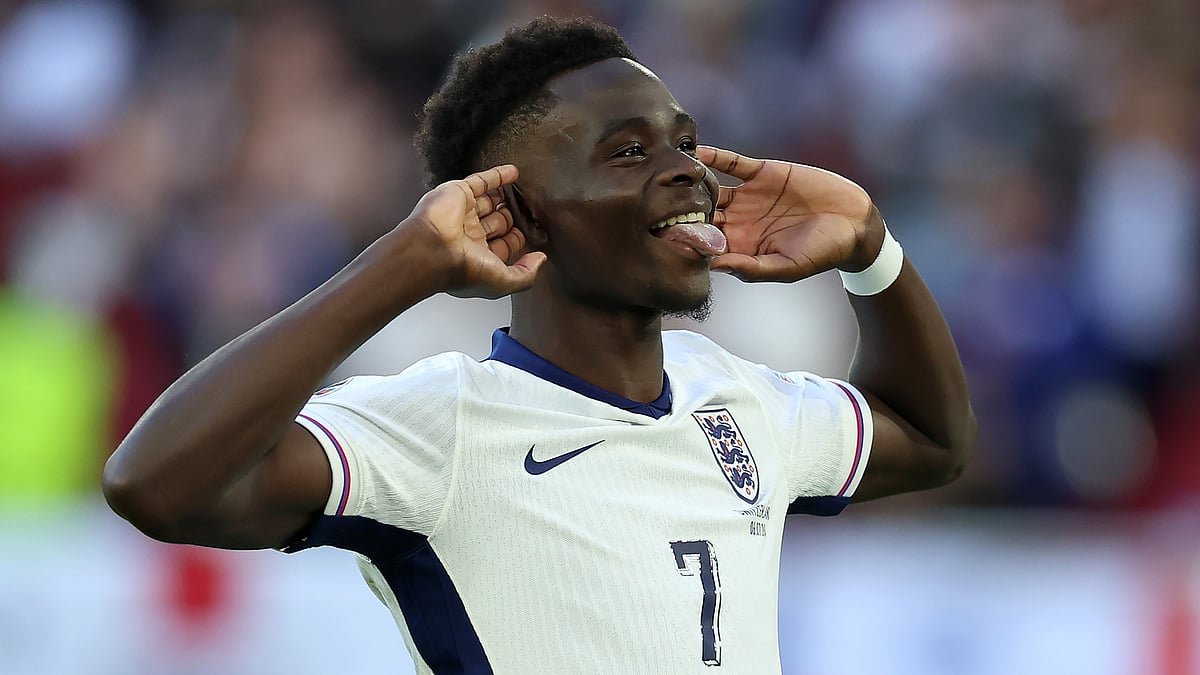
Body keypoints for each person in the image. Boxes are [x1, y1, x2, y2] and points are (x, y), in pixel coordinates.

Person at [103, 16, 976, 674]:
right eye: (627, 151)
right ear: (516, 214)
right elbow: (156, 483)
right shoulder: (440, 425)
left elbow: (934, 439)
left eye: (682, 140)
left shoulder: (741, 398)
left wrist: (872, 250)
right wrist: (400, 264)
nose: (688, 173)